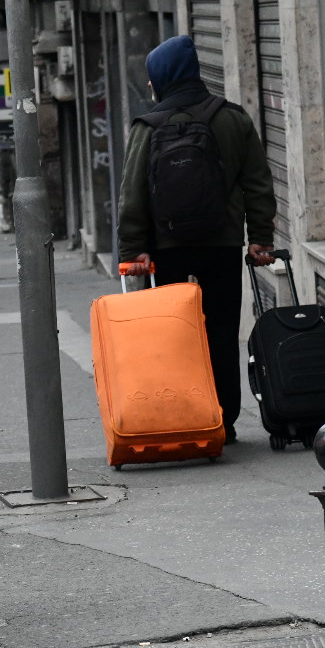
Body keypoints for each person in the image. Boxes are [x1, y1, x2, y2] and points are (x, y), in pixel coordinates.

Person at [117, 35, 277, 444]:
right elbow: (258, 183)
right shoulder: (233, 118)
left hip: (170, 249)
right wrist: (259, 238)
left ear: (162, 78)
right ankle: (225, 419)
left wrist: (133, 249)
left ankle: (187, 417)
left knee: (175, 336)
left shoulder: (147, 127)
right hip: (222, 245)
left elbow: (132, 193)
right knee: (223, 332)